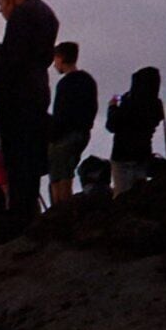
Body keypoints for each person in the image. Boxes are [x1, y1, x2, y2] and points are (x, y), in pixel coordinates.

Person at [0, 0, 60, 214]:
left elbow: (12, 60)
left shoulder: (22, 15)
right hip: (38, 89)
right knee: (31, 157)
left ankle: (20, 213)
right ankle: (29, 210)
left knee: (17, 159)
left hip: (18, 95)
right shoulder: (48, 15)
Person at [45, 40, 97, 208]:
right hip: (82, 133)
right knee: (68, 173)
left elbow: (61, 115)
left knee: (58, 177)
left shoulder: (65, 84)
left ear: (61, 58)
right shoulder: (88, 80)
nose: (54, 65)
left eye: (55, 60)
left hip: (64, 136)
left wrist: (51, 134)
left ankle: (60, 213)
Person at [107, 64, 165, 185]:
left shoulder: (129, 103)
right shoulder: (156, 105)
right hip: (143, 155)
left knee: (122, 196)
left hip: (122, 155)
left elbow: (112, 125)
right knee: (140, 194)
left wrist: (112, 107)